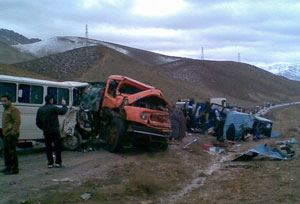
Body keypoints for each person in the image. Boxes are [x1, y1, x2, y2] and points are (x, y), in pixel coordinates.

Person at [36, 95, 68, 168]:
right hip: (55, 131)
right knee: (57, 147)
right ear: (51, 100)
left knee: (48, 147)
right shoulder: (53, 108)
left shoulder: (40, 109)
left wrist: (43, 128)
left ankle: (50, 163)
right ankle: (58, 163)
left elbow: (38, 122)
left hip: (46, 131)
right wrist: (64, 105)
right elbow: (63, 111)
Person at [1, 94, 21, 175]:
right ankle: (8, 167)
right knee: (6, 152)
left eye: (5, 101)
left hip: (11, 134)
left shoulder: (13, 109)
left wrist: (13, 133)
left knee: (12, 151)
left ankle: (14, 169)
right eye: (2, 101)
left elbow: (17, 122)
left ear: (9, 101)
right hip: (6, 134)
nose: (3, 103)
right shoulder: (6, 109)